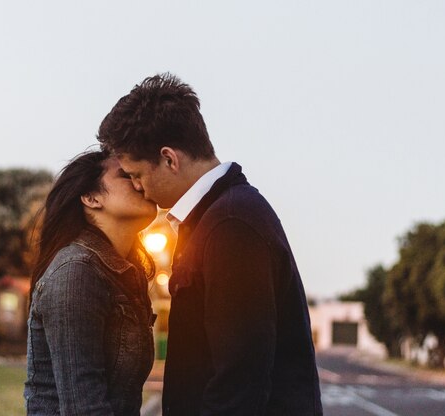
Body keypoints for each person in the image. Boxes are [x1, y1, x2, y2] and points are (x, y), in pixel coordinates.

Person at [97, 74, 323, 415]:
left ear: (170, 159)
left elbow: (239, 380)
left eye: (137, 175)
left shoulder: (230, 224)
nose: (136, 187)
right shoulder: (214, 219)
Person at [24, 150, 158, 415]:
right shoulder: (76, 271)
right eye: (126, 175)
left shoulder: (125, 274)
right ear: (91, 198)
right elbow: (84, 408)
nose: (140, 182)